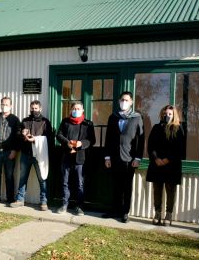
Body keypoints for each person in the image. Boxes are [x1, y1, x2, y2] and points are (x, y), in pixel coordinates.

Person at [103, 91, 145, 223]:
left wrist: (137, 158)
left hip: (129, 159)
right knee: (116, 186)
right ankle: (115, 210)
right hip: (114, 158)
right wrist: (107, 157)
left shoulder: (137, 117)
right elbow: (108, 138)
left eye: (126, 100)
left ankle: (125, 212)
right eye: (122, 100)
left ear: (131, 102)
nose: (124, 102)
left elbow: (141, 139)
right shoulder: (113, 117)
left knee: (127, 187)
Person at [146, 105, 185, 226]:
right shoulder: (156, 128)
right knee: (157, 190)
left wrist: (168, 159)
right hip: (156, 164)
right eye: (165, 113)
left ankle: (168, 215)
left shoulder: (179, 129)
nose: (166, 116)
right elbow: (150, 145)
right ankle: (157, 213)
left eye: (169, 114)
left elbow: (180, 149)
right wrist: (156, 158)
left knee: (170, 190)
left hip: (171, 165)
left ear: (174, 115)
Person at [10, 100, 53, 211]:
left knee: (42, 178)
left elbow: (50, 138)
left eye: (36, 108)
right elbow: (17, 135)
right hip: (26, 154)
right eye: (32, 108)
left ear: (40, 109)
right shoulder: (25, 121)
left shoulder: (45, 122)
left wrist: (36, 139)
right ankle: (20, 200)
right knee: (23, 178)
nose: (34, 110)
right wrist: (23, 135)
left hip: (40, 155)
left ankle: (44, 201)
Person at [56, 101, 96, 215]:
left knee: (80, 183)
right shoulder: (65, 122)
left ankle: (79, 206)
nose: (76, 110)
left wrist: (81, 143)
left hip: (80, 158)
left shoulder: (88, 124)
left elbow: (92, 140)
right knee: (65, 182)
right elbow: (59, 135)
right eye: (74, 108)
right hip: (66, 157)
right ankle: (64, 204)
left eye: (78, 108)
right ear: (71, 110)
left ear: (82, 110)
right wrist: (67, 142)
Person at [0, 96, 21, 204]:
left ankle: (10, 198)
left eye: (6, 104)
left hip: (9, 152)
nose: (4, 106)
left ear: (10, 106)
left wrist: (15, 150)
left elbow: (18, 136)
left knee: (9, 176)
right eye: (3, 104)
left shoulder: (15, 119)